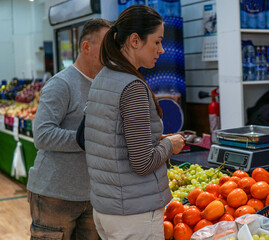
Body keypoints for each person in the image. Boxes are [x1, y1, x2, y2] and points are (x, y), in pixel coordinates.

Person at [84, 5, 185, 240]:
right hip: (134, 215)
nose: (161, 49)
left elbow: (107, 138)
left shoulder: (102, 78)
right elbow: (142, 163)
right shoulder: (132, 87)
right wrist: (171, 145)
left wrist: (152, 139)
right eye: (157, 41)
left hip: (106, 210)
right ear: (135, 40)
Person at [26, 18, 112, 240]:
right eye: (106, 47)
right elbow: (42, 135)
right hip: (54, 196)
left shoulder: (104, 85)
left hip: (93, 196)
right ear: (86, 47)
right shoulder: (61, 84)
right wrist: (85, 139)